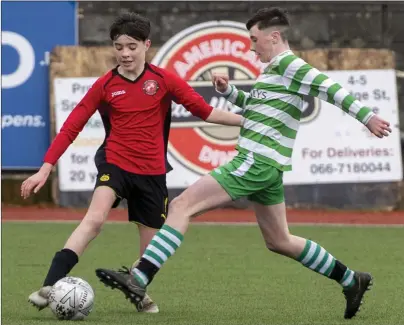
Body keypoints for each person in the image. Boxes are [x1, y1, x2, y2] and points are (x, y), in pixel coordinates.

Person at [96, 7, 392, 319]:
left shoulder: (291, 64)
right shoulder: (274, 71)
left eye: (255, 39)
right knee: (280, 241)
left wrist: (368, 116)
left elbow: (331, 89)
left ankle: (138, 278)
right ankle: (351, 280)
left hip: (256, 161)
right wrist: (230, 92)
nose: (251, 46)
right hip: (268, 167)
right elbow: (256, 108)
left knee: (182, 205)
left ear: (274, 36)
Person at [22, 12, 244, 314]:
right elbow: (72, 125)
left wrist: (247, 122)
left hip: (152, 173)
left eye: (131, 46)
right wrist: (46, 166)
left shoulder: (164, 80)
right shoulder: (105, 85)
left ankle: (139, 291)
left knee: (150, 248)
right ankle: (50, 285)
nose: (124, 53)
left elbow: (205, 112)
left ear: (146, 45)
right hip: (115, 164)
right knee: (95, 219)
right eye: (118, 46)